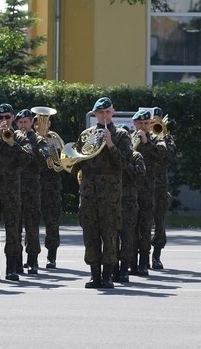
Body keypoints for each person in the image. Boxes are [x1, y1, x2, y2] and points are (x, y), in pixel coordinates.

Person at [74, 97, 132, 289]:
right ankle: (94, 274)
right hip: (89, 193)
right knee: (90, 234)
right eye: (100, 113)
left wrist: (110, 144)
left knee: (109, 234)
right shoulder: (86, 135)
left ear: (113, 112)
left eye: (107, 112)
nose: (104, 115)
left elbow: (124, 164)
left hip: (110, 195)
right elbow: (75, 165)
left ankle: (107, 275)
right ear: (95, 114)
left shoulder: (122, 135)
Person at [0, 104, 33, 282]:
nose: (4, 120)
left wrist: (12, 143)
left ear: (13, 118)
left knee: (13, 230)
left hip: (12, 189)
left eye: (7, 117)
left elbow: (28, 158)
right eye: (1, 118)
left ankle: (11, 268)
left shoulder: (21, 137)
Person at [130, 109, 168, 276]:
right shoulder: (127, 138)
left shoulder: (156, 139)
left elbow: (163, 155)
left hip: (148, 190)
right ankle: (130, 262)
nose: (143, 126)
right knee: (130, 227)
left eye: (146, 123)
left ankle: (143, 262)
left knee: (145, 227)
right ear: (135, 124)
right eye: (140, 123)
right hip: (130, 189)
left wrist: (146, 142)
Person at [16, 109, 47, 275]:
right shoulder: (12, 138)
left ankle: (33, 260)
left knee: (32, 226)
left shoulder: (39, 140)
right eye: (20, 122)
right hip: (14, 187)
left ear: (31, 124)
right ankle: (17, 261)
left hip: (32, 188)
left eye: (25, 122)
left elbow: (43, 160)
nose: (22, 126)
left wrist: (29, 147)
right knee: (15, 227)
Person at [116, 127, 145, 283]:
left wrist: (125, 163)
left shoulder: (136, 156)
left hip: (128, 203)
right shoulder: (110, 156)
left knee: (128, 237)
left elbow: (140, 174)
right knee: (111, 237)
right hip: (112, 202)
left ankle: (124, 268)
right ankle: (113, 267)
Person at [150, 107, 176, 270]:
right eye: (152, 121)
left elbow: (170, 154)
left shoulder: (166, 138)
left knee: (159, 222)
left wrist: (163, 135)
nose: (154, 124)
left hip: (159, 185)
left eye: (157, 120)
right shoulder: (140, 136)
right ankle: (142, 256)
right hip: (142, 184)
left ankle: (156, 256)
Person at [38, 115, 63, 269]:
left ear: (50, 123)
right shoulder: (31, 139)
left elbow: (61, 162)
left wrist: (53, 150)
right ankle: (31, 256)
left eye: (45, 122)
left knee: (52, 223)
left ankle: (51, 256)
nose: (42, 125)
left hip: (52, 186)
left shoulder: (54, 139)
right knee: (31, 223)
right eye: (39, 122)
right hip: (33, 185)